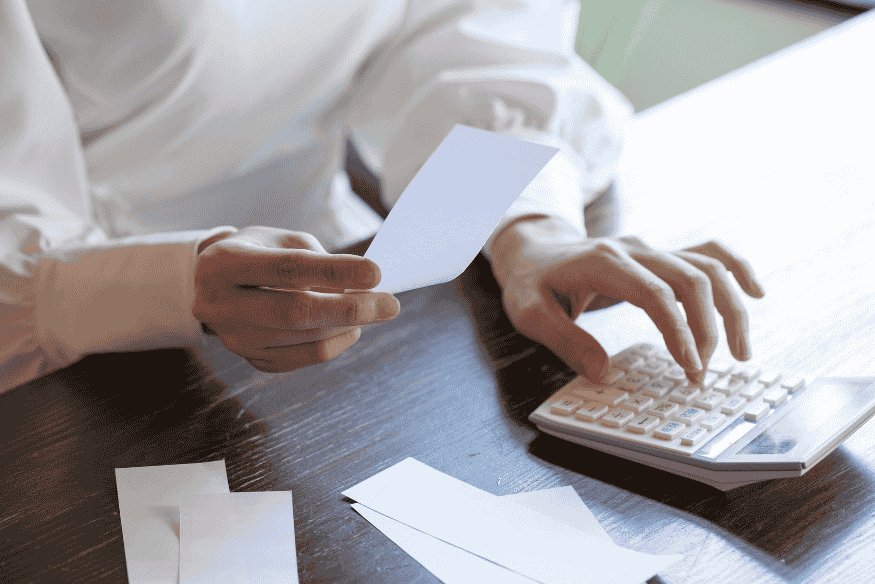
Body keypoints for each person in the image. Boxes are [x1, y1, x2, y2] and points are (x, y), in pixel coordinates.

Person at [1, 0, 764, 392]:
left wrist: (522, 224)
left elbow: (452, 41)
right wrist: (157, 287)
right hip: (39, 364)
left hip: (321, 314)